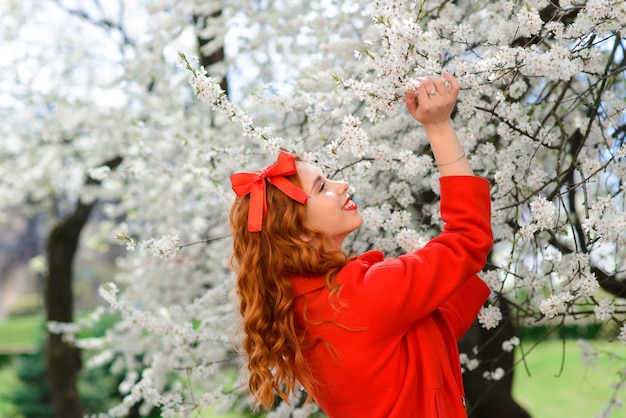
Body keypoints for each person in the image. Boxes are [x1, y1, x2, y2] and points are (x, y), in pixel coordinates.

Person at [228, 73, 493, 417]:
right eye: (322, 187)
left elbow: (429, 334)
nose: (341, 185)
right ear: (300, 231)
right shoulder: (363, 297)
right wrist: (439, 126)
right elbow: (469, 238)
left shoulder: (303, 312)